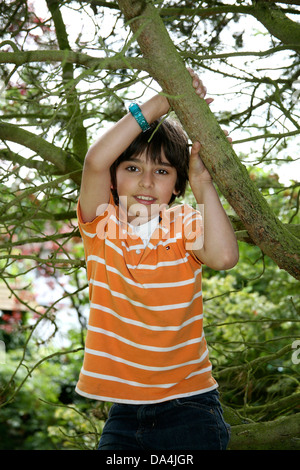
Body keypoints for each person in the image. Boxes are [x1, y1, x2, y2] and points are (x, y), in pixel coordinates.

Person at [76, 68, 239, 450]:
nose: (147, 181)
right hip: (124, 414)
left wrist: (202, 184)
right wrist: (163, 101)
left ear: (176, 184)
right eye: (132, 168)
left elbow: (224, 256)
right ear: (114, 180)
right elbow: (95, 160)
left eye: (162, 171)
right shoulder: (102, 224)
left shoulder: (185, 223)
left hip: (191, 406)